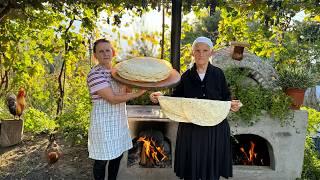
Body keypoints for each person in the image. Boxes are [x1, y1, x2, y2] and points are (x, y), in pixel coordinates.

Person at [150, 37, 242, 180]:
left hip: (214, 129)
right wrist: (161, 97)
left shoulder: (218, 74)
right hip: (191, 129)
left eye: (205, 50)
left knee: (211, 171)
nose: (201, 54)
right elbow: (176, 99)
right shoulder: (186, 76)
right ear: (193, 53)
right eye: (197, 51)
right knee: (191, 171)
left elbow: (226, 98)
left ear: (211, 53)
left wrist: (232, 105)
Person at [87, 39, 146, 180]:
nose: (105, 54)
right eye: (101, 51)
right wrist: (138, 93)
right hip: (103, 123)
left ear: (113, 52)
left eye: (108, 50)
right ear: (95, 55)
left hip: (118, 120)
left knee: (117, 157)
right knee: (102, 160)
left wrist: (131, 80)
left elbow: (126, 91)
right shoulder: (95, 74)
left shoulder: (118, 72)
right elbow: (112, 98)